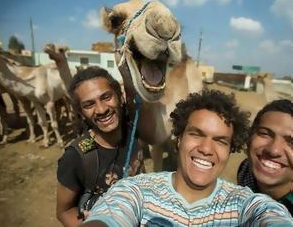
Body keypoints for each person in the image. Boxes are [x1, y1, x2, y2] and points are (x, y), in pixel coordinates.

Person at [81, 90, 293, 226]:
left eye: (220, 141)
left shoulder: (243, 202)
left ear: (231, 150)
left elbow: (269, 215)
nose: (206, 149)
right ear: (179, 139)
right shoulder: (137, 190)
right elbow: (114, 212)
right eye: (196, 134)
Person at [56, 66, 144, 227]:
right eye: (89, 104)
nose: (102, 109)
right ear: (81, 113)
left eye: (106, 97)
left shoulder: (133, 131)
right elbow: (64, 211)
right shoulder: (76, 157)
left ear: (120, 97)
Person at [238, 99, 293, 215]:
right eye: (265, 134)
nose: (273, 150)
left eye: (291, 143)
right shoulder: (246, 171)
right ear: (249, 138)